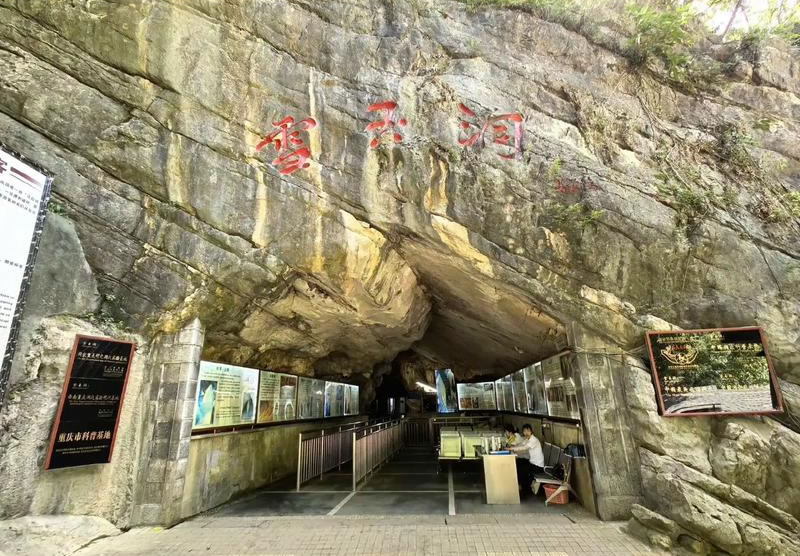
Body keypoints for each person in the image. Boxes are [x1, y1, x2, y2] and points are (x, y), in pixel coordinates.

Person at [511, 424, 545, 496]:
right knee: (518, 462)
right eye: (524, 431)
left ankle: (524, 489)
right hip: (532, 463)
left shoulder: (534, 440)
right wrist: (513, 447)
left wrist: (512, 449)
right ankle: (520, 485)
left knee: (522, 469)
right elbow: (521, 444)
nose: (526, 433)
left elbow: (524, 447)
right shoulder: (528, 439)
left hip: (538, 466)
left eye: (528, 431)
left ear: (531, 431)